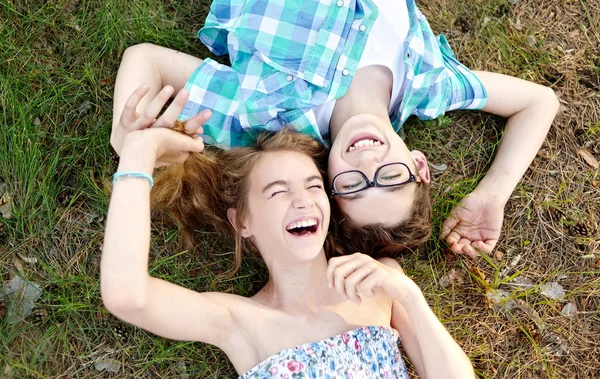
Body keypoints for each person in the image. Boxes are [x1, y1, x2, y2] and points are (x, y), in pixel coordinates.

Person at [110, 0, 559, 258]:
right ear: (418, 165)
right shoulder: (431, 86)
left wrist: (126, 139)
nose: (368, 162)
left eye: (353, 184)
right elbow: (539, 101)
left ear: (327, 181)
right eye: (390, 177)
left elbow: (144, 58)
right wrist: (491, 194)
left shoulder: (266, 110)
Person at [101, 90, 475, 378]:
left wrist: (410, 297)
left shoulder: (382, 287)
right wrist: (138, 153)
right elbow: (127, 296)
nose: (302, 201)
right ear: (242, 222)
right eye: (277, 191)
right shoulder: (239, 321)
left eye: (314, 186)